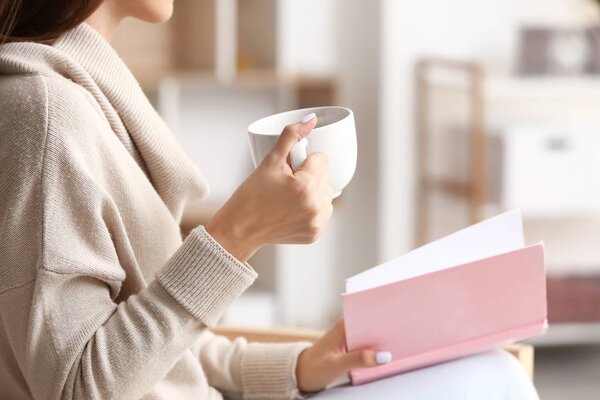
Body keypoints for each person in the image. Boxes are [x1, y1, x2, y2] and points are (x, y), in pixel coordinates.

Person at [0, 0, 540, 399]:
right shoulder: (44, 110)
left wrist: (296, 367)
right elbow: (75, 386)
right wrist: (238, 235)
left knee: (495, 371)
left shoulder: (79, 93)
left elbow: (152, 349)